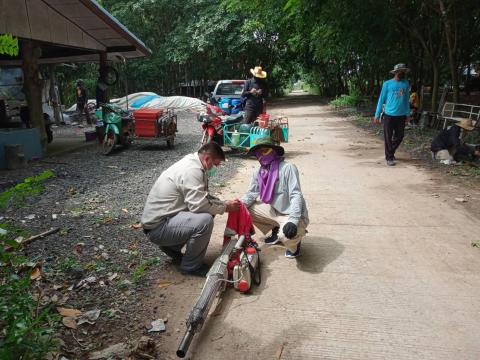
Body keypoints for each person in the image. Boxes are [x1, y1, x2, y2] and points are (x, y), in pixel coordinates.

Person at [141, 142, 241, 276]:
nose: (216, 168)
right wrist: (225, 207)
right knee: (205, 220)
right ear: (207, 159)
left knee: (210, 211)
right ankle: (191, 267)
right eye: (215, 164)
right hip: (158, 228)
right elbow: (199, 205)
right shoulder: (192, 170)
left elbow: (202, 198)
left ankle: (172, 248)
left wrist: (222, 203)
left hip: (162, 222)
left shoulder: (194, 163)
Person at [241, 137, 309, 258]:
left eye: (265, 150)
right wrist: (235, 206)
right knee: (244, 209)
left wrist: (293, 220)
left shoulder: (288, 168)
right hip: (275, 211)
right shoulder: (258, 173)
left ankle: (295, 243)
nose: (261, 155)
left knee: (287, 237)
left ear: (274, 151)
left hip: (292, 214)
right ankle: (276, 229)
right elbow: (251, 193)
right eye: (258, 152)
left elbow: (296, 195)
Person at [374, 63, 411, 166]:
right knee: (388, 136)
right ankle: (389, 157)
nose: (402, 74)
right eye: (401, 72)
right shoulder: (387, 84)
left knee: (400, 136)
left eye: (404, 72)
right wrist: (377, 114)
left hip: (401, 115)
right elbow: (381, 99)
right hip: (389, 115)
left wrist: (408, 114)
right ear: (396, 72)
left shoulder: (406, 84)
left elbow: (406, 100)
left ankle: (390, 152)